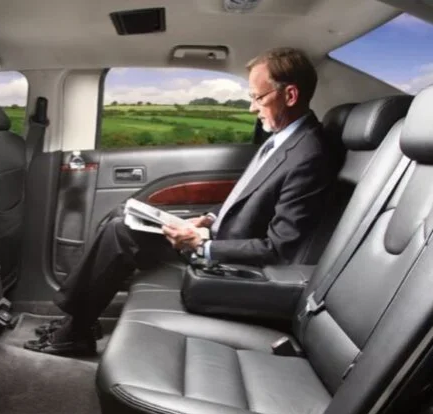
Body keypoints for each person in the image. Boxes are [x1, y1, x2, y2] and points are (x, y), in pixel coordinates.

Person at [24, 47, 339, 356]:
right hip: (220, 239)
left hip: (236, 265)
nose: (251, 109)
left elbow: (280, 248)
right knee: (123, 220)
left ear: (291, 95)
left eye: (257, 98)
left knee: (121, 233)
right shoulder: (281, 140)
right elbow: (245, 200)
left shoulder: (307, 154)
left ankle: (75, 330)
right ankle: (80, 321)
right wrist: (207, 221)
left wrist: (201, 246)